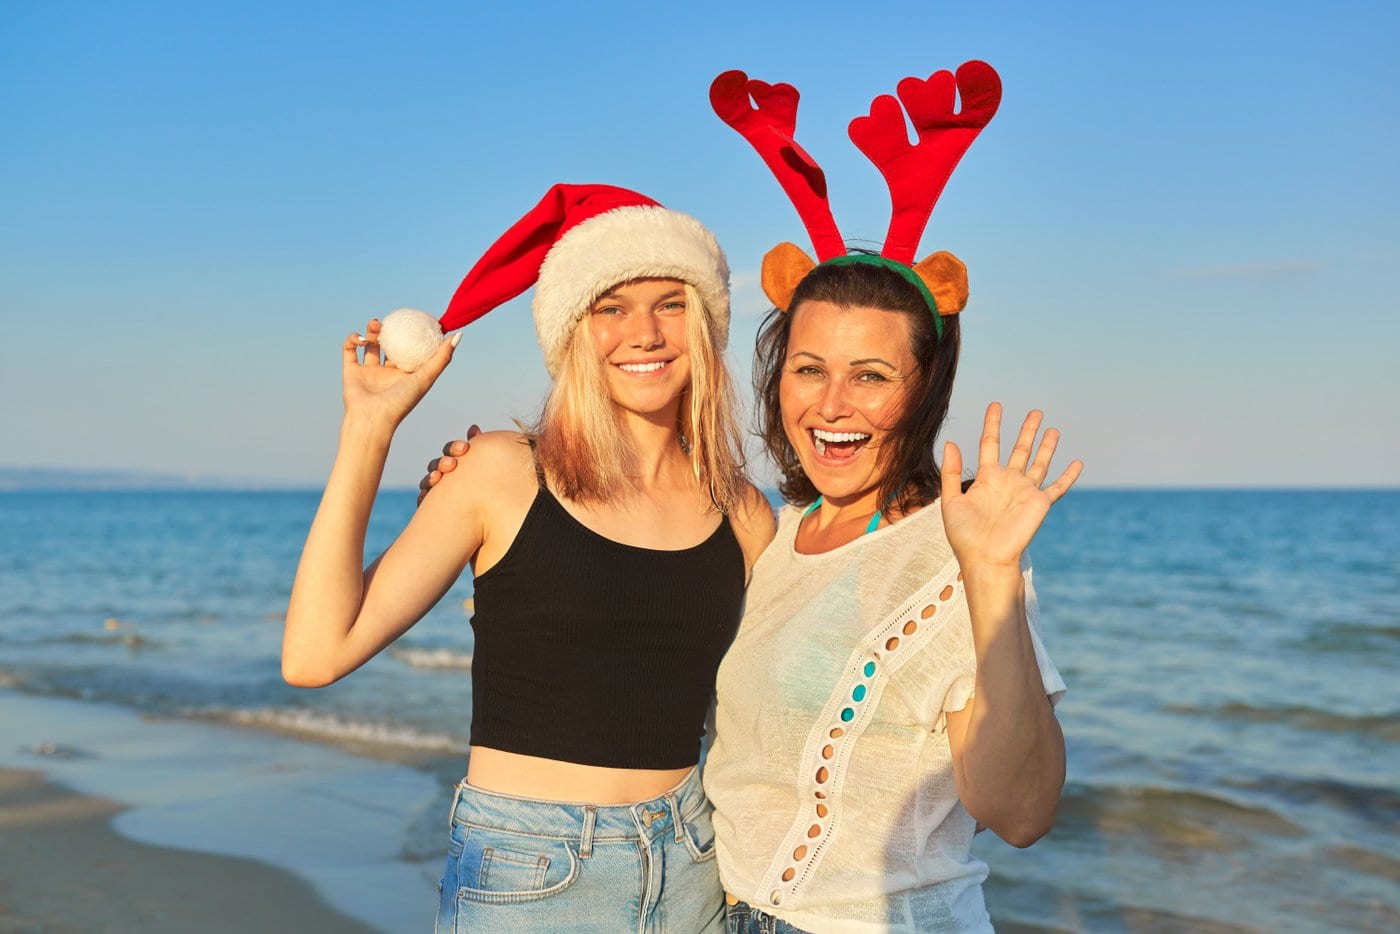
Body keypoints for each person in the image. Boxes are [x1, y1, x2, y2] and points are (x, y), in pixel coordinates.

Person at [422, 62, 1081, 933]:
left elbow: (1022, 812)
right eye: (809, 370)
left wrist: (993, 575)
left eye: (872, 376)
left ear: (925, 390)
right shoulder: (772, 537)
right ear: (775, 381)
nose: (833, 404)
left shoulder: (954, 555)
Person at [283, 183, 774, 934]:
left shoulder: (743, 512)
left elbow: (768, 715)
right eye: (611, 307)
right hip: (532, 873)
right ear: (575, 330)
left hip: (699, 868)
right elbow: (315, 654)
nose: (643, 331)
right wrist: (370, 429)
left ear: (705, 324)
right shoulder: (501, 472)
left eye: (670, 303)